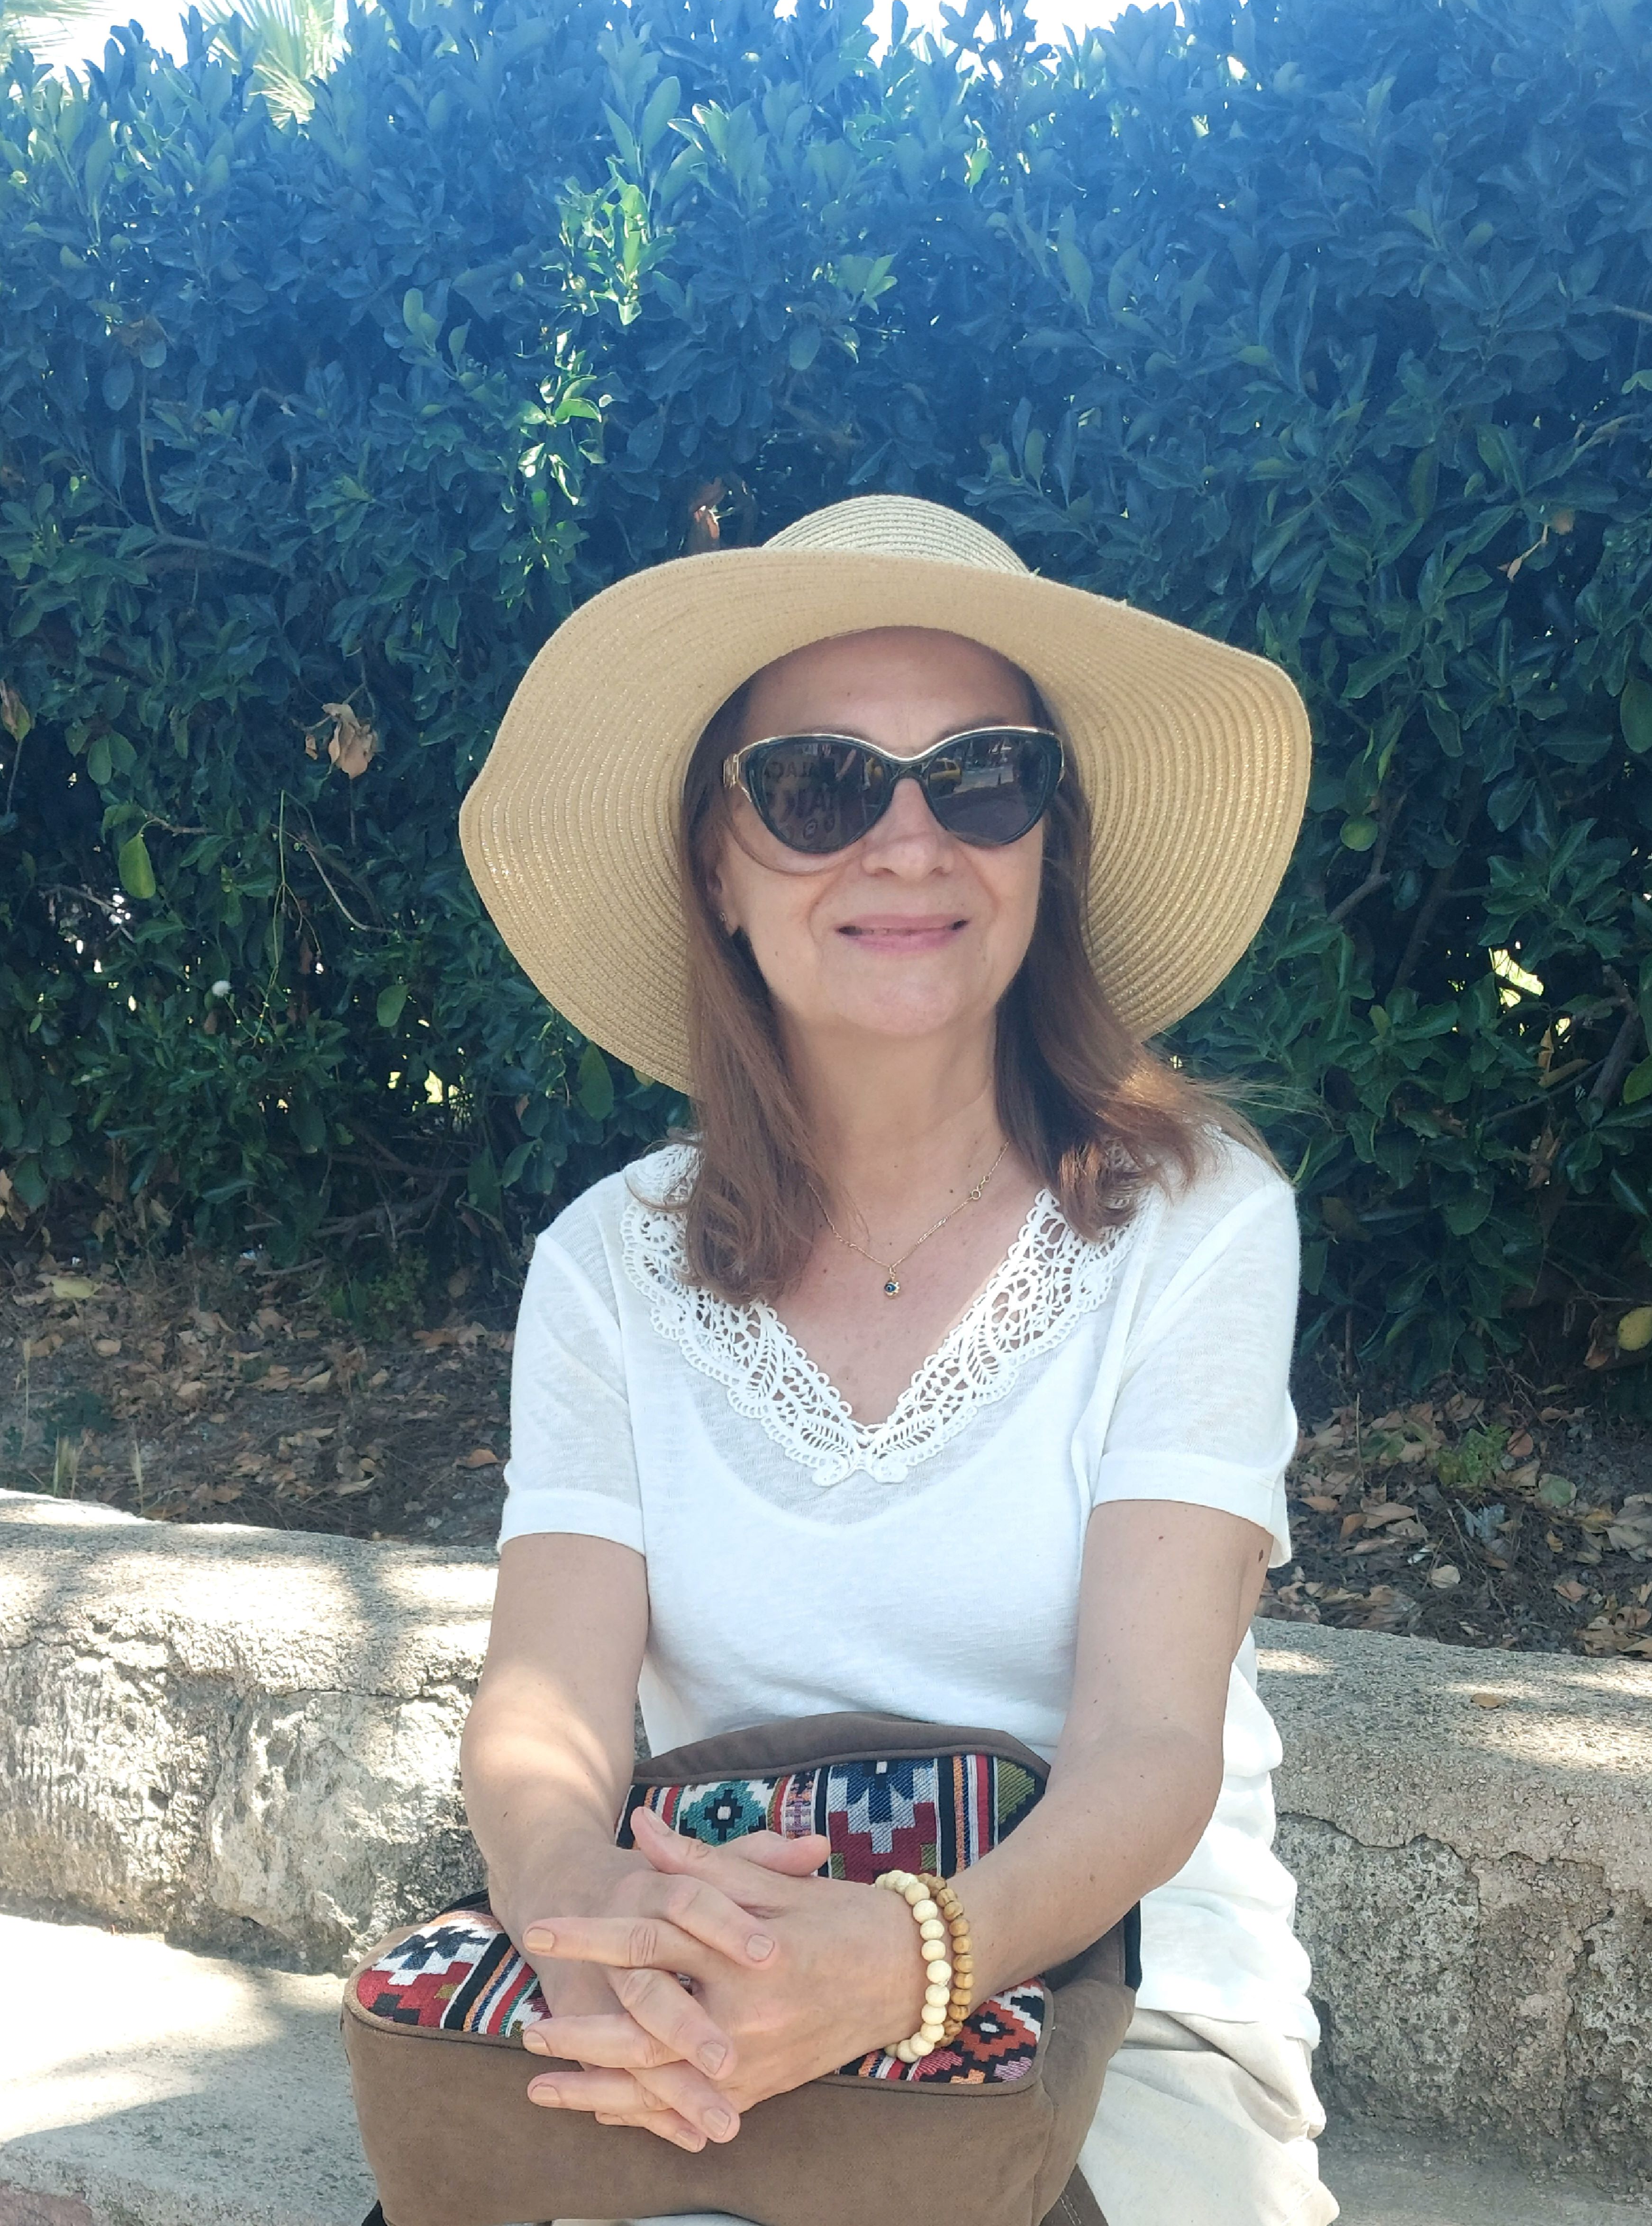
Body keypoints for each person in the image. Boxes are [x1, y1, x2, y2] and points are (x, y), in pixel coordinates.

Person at [454, 493, 1333, 2226]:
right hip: (710, 1989)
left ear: (1044, 846)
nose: (910, 844)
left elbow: (1151, 1741)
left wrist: (909, 1961)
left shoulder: (1196, 1225)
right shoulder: (606, 1267)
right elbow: (542, 1701)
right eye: (819, 787)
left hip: (1118, 2011)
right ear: (717, 865)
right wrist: (578, 1910)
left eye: (982, 778)